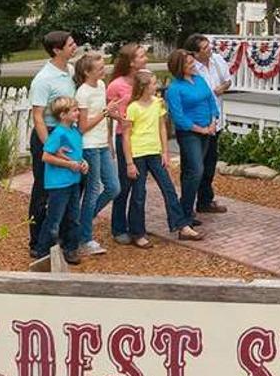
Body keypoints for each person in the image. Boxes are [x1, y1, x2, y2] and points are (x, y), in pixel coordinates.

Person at [124, 70, 201, 244]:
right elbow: (126, 135)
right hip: (138, 154)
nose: (156, 86)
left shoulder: (158, 103)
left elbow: (162, 128)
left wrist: (165, 152)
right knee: (138, 194)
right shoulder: (133, 107)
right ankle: (137, 233)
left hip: (155, 153)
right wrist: (129, 162)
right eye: (153, 83)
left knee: (169, 189)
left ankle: (182, 226)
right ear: (143, 87)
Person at [24, 30, 78, 253]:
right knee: (44, 190)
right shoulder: (43, 79)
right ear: (57, 50)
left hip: (68, 132)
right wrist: (51, 147)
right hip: (49, 134)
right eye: (71, 44)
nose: (75, 46)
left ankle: (64, 238)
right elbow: (37, 116)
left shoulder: (71, 71)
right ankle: (37, 242)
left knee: (67, 185)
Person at [31, 96, 91, 268]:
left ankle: (70, 248)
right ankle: (42, 252)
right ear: (63, 115)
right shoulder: (57, 134)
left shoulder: (74, 132)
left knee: (73, 217)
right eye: (74, 110)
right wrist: (68, 164)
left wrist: (82, 163)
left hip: (73, 181)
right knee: (54, 219)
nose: (78, 113)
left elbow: (75, 155)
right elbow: (46, 156)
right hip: (58, 184)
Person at [164, 48, 218, 231]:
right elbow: (178, 117)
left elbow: (211, 100)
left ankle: (187, 212)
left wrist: (213, 121)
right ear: (179, 67)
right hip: (190, 134)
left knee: (193, 171)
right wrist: (200, 129)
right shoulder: (174, 89)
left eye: (192, 61)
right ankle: (184, 213)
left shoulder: (199, 80)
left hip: (207, 130)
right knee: (195, 170)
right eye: (188, 63)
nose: (193, 64)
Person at [71, 53, 118, 260]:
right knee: (93, 190)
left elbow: (104, 116)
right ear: (87, 72)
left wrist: (109, 140)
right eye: (99, 68)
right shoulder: (83, 93)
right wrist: (106, 113)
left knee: (113, 187)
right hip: (89, 146)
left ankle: (83, 222)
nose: (104, 70)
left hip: (102, 145)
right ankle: (85, 238)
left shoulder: (101, 85)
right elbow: (82, 127)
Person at [102, 44, 149, 245]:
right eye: (141, 56)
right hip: (125, 138)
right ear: (131, 62)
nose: (146, 58)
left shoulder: (144, 79)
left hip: (144, 139)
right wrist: (111, 137)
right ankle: (119, 227)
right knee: (124, 183)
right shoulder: (117, 85)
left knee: (140, 185)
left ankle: (137, 227)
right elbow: (106, 112)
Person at [188, 34, 232, 216]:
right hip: (198, 123)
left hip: (216, 120)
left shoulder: (217, 61)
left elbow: (228, 80)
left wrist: (221, 88)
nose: (209, 49)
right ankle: (188, 203)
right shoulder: (192, 68)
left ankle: (205, 200)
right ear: (196, 53)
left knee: (210, 163)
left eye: (209, 46)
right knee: (195, 165)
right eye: (205, 48)